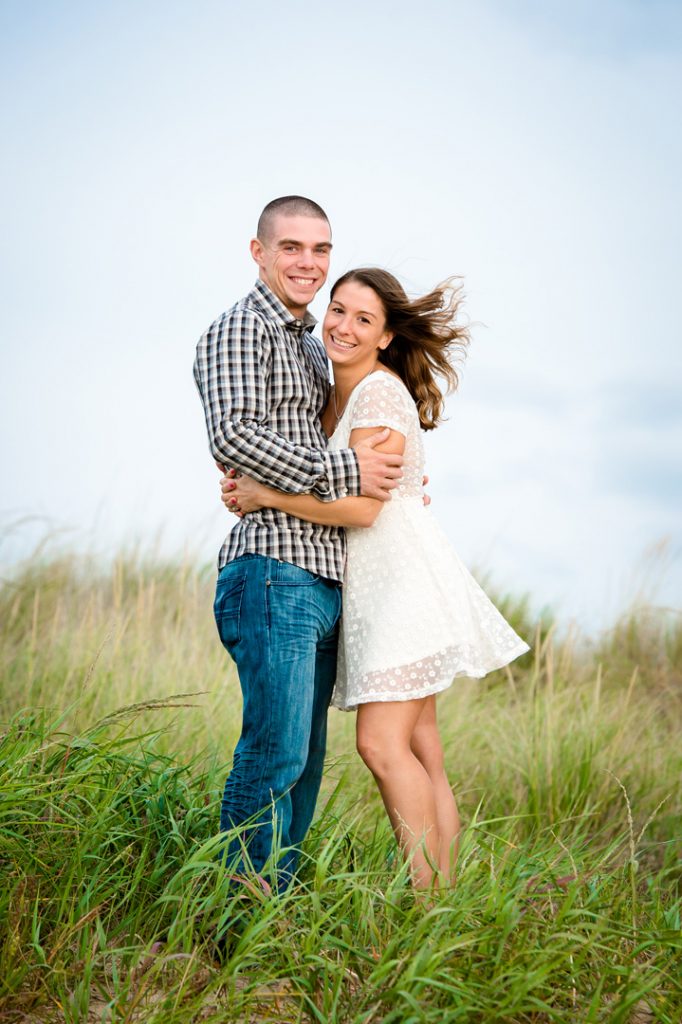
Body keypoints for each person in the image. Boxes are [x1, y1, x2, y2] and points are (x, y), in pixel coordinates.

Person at [222, 268, 530, 888]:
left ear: (386, 336)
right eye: (337, 310)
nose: (342, 326)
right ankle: (444, 905)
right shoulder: (349, 390)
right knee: (422, 752)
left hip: (400, 586)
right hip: (395, 576)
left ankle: (425, 902)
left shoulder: (378, 394)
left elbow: (363, 507)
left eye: (363, 319)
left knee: (382, 747)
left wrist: (263, 496)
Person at [193, 197, 404, 889]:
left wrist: (397, 486)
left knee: (306, 762)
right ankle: (233, 922)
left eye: (320, 249)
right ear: (259, 252)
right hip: (273, 571)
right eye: (291, 247)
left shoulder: (311, 346)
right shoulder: (239, 331)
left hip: (324, 578)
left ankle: (270, 912)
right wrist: (347, 470)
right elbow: (236, 438)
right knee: (275, 753)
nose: (307, 263)